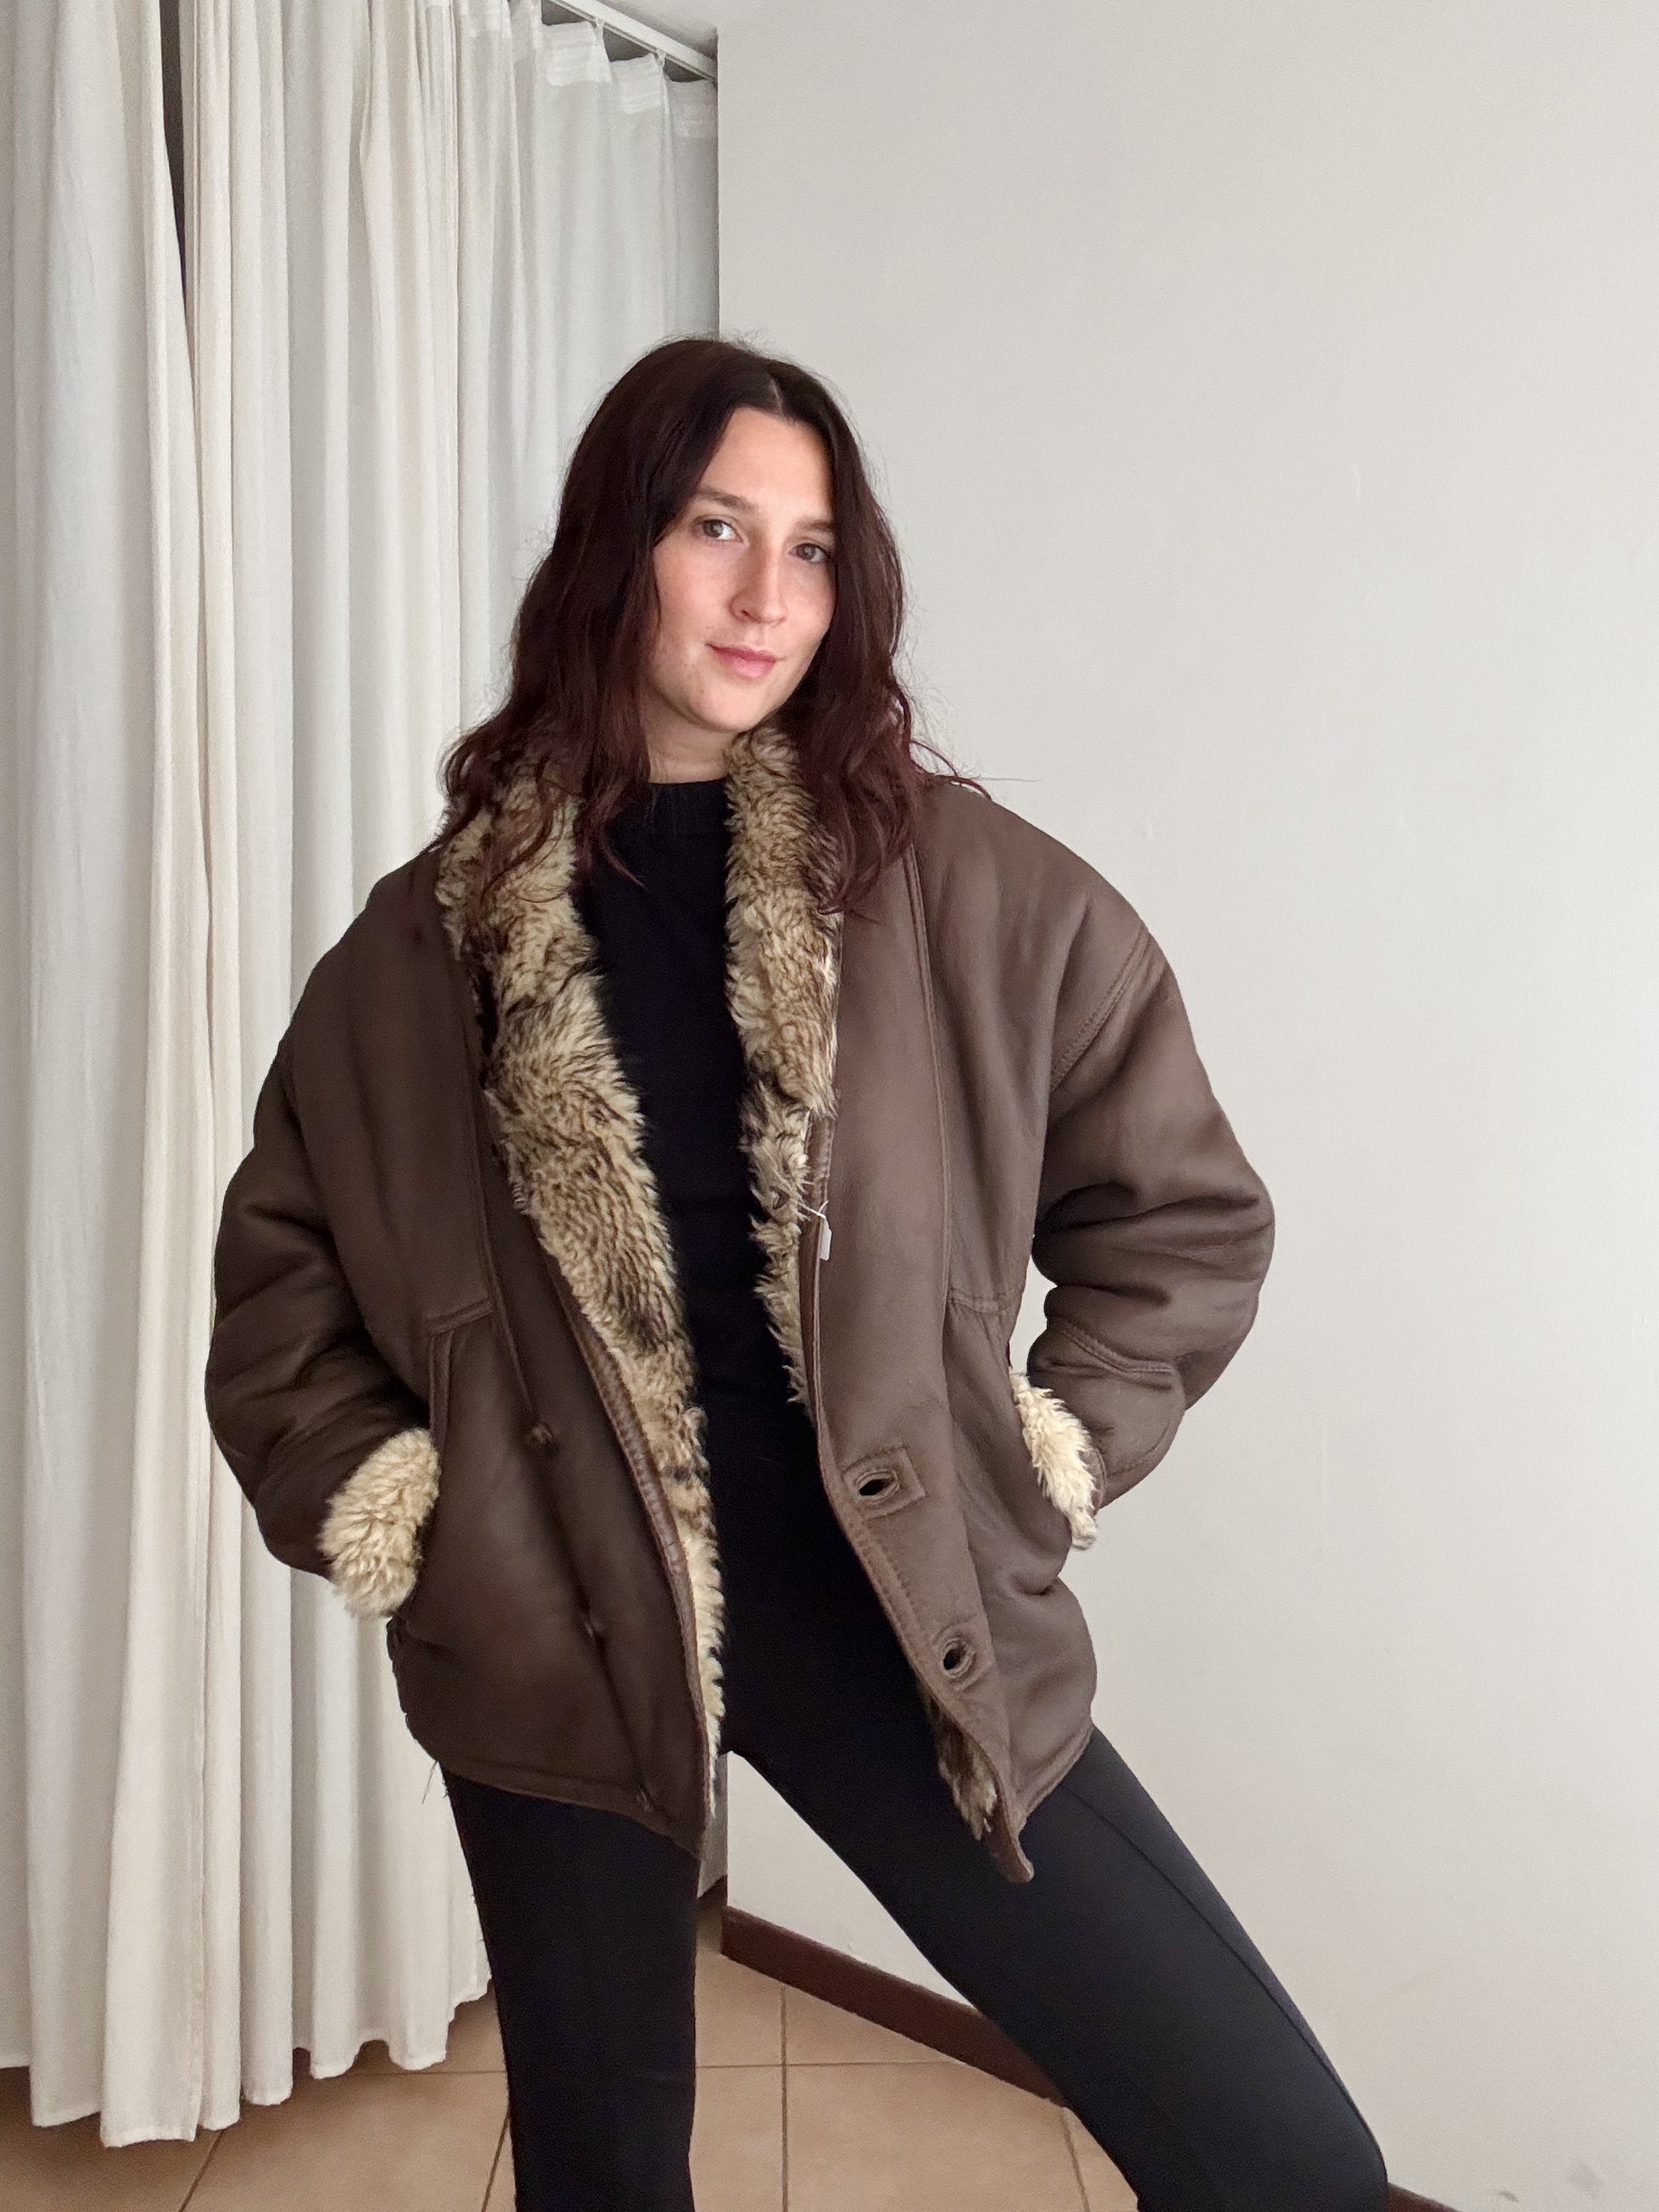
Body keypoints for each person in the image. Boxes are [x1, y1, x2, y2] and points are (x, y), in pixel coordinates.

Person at [205, 336, 1389, 2211]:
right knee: (603, 2173)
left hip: (886, 1596)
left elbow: (1181, 1213)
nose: (769, 595)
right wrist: (412, 1512)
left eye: (815, 548)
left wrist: (1050, 1444)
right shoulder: (420, 948)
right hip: (557, 1620)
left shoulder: (962, 885)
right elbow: (277, 1290)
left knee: (1278, 2152)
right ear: (616, 548)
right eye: (715, 528)